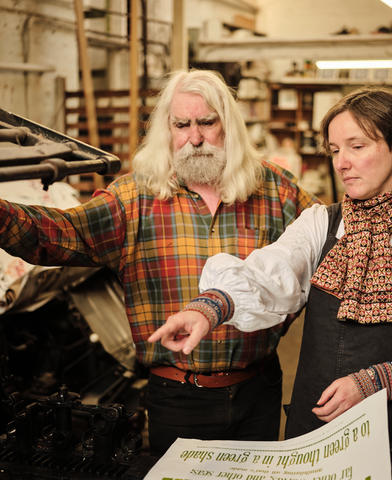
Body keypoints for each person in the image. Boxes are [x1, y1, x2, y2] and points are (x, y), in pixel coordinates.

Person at [0, 69, 318, 456]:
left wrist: (284, 313)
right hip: (178, 397)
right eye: (181, 124)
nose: (195, 137)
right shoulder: (135, 198)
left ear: (228, 125)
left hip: (259, 390)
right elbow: (61, 235)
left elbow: (325, 247)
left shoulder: (275, 190)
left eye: (207, 122)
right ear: (166, 130)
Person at [150, 87, 392, 450]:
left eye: (357, 147)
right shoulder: (321, 222)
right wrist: (210, 307)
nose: (342, 163)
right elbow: (272, 271)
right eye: (336, 150)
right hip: (315, 433)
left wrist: (378, 381)